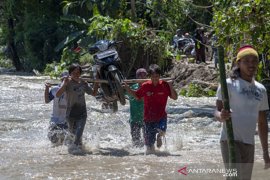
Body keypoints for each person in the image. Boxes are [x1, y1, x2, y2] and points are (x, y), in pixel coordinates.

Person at [214, 45, 270, 179]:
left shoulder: (261, 89)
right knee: (234, 177)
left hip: (249, 143)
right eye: (246, 61)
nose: (251, 65)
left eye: (254, 61)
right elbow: (216, 111)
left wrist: (265, 151)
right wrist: (221, 116)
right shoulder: (228, 84)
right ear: (238, 63)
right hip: (230, 140)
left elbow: (262, 123)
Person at [124, 64, 178, 154]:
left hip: (161, 116)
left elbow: (175, 97)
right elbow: (137, 95)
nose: (155, 79)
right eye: (153, 77)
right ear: (150, 77)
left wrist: (171, 86)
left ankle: (159, 137)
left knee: (162, 131)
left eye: (157, 76)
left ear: (160, 76)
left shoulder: (165, 85)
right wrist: (127, 88)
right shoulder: (145, 86)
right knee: (150, 147)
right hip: (148, 119)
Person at [56, 63, 99, 152]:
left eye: (78, 73)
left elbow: (94, 93)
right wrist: (64, 84)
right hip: (70, 113)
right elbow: (58, 94)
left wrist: (97, 83)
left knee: (78, 133)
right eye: (74, 73)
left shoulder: (83, 83)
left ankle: (77, 152)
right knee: (72, 134)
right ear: (70, 73)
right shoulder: (67, 82)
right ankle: (76, 152)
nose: (76, 75)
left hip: (82, 113)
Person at [44, 71, 69, 145]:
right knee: (53, 141)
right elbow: (47, 100)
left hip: (66, 120)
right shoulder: (55, 89)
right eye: (64, 80)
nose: (65, 81)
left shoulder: (72, 90)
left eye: (67, 80)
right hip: (55, 119)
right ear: (61, 80)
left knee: (65, 142)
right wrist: (47, 89)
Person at [126, 68, 147, 147]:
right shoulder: (132, 87)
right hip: (134, 119)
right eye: (140, 76)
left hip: (146, 119)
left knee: (148, 143)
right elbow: (120, 94)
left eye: (144, 76)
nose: (142, 78)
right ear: (137, 77)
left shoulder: (149, 87)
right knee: (136, 143)